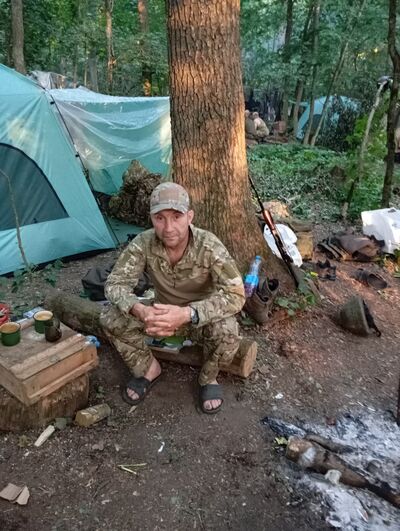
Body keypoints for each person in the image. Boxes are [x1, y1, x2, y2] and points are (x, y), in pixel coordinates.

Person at [100, 182, 245, 414]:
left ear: (189, 217)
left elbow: (236, 294)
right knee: (110, 317)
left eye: (176, 217)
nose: (168, 228)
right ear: (151, 218)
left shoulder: (208, 245)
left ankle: (208, 377)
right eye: (160, 218)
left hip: (199, 319)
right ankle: (149, 368)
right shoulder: (144, 243)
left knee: (228, 331)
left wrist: (188, 314)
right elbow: (115, 284)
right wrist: (141, 310)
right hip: (160, 316)